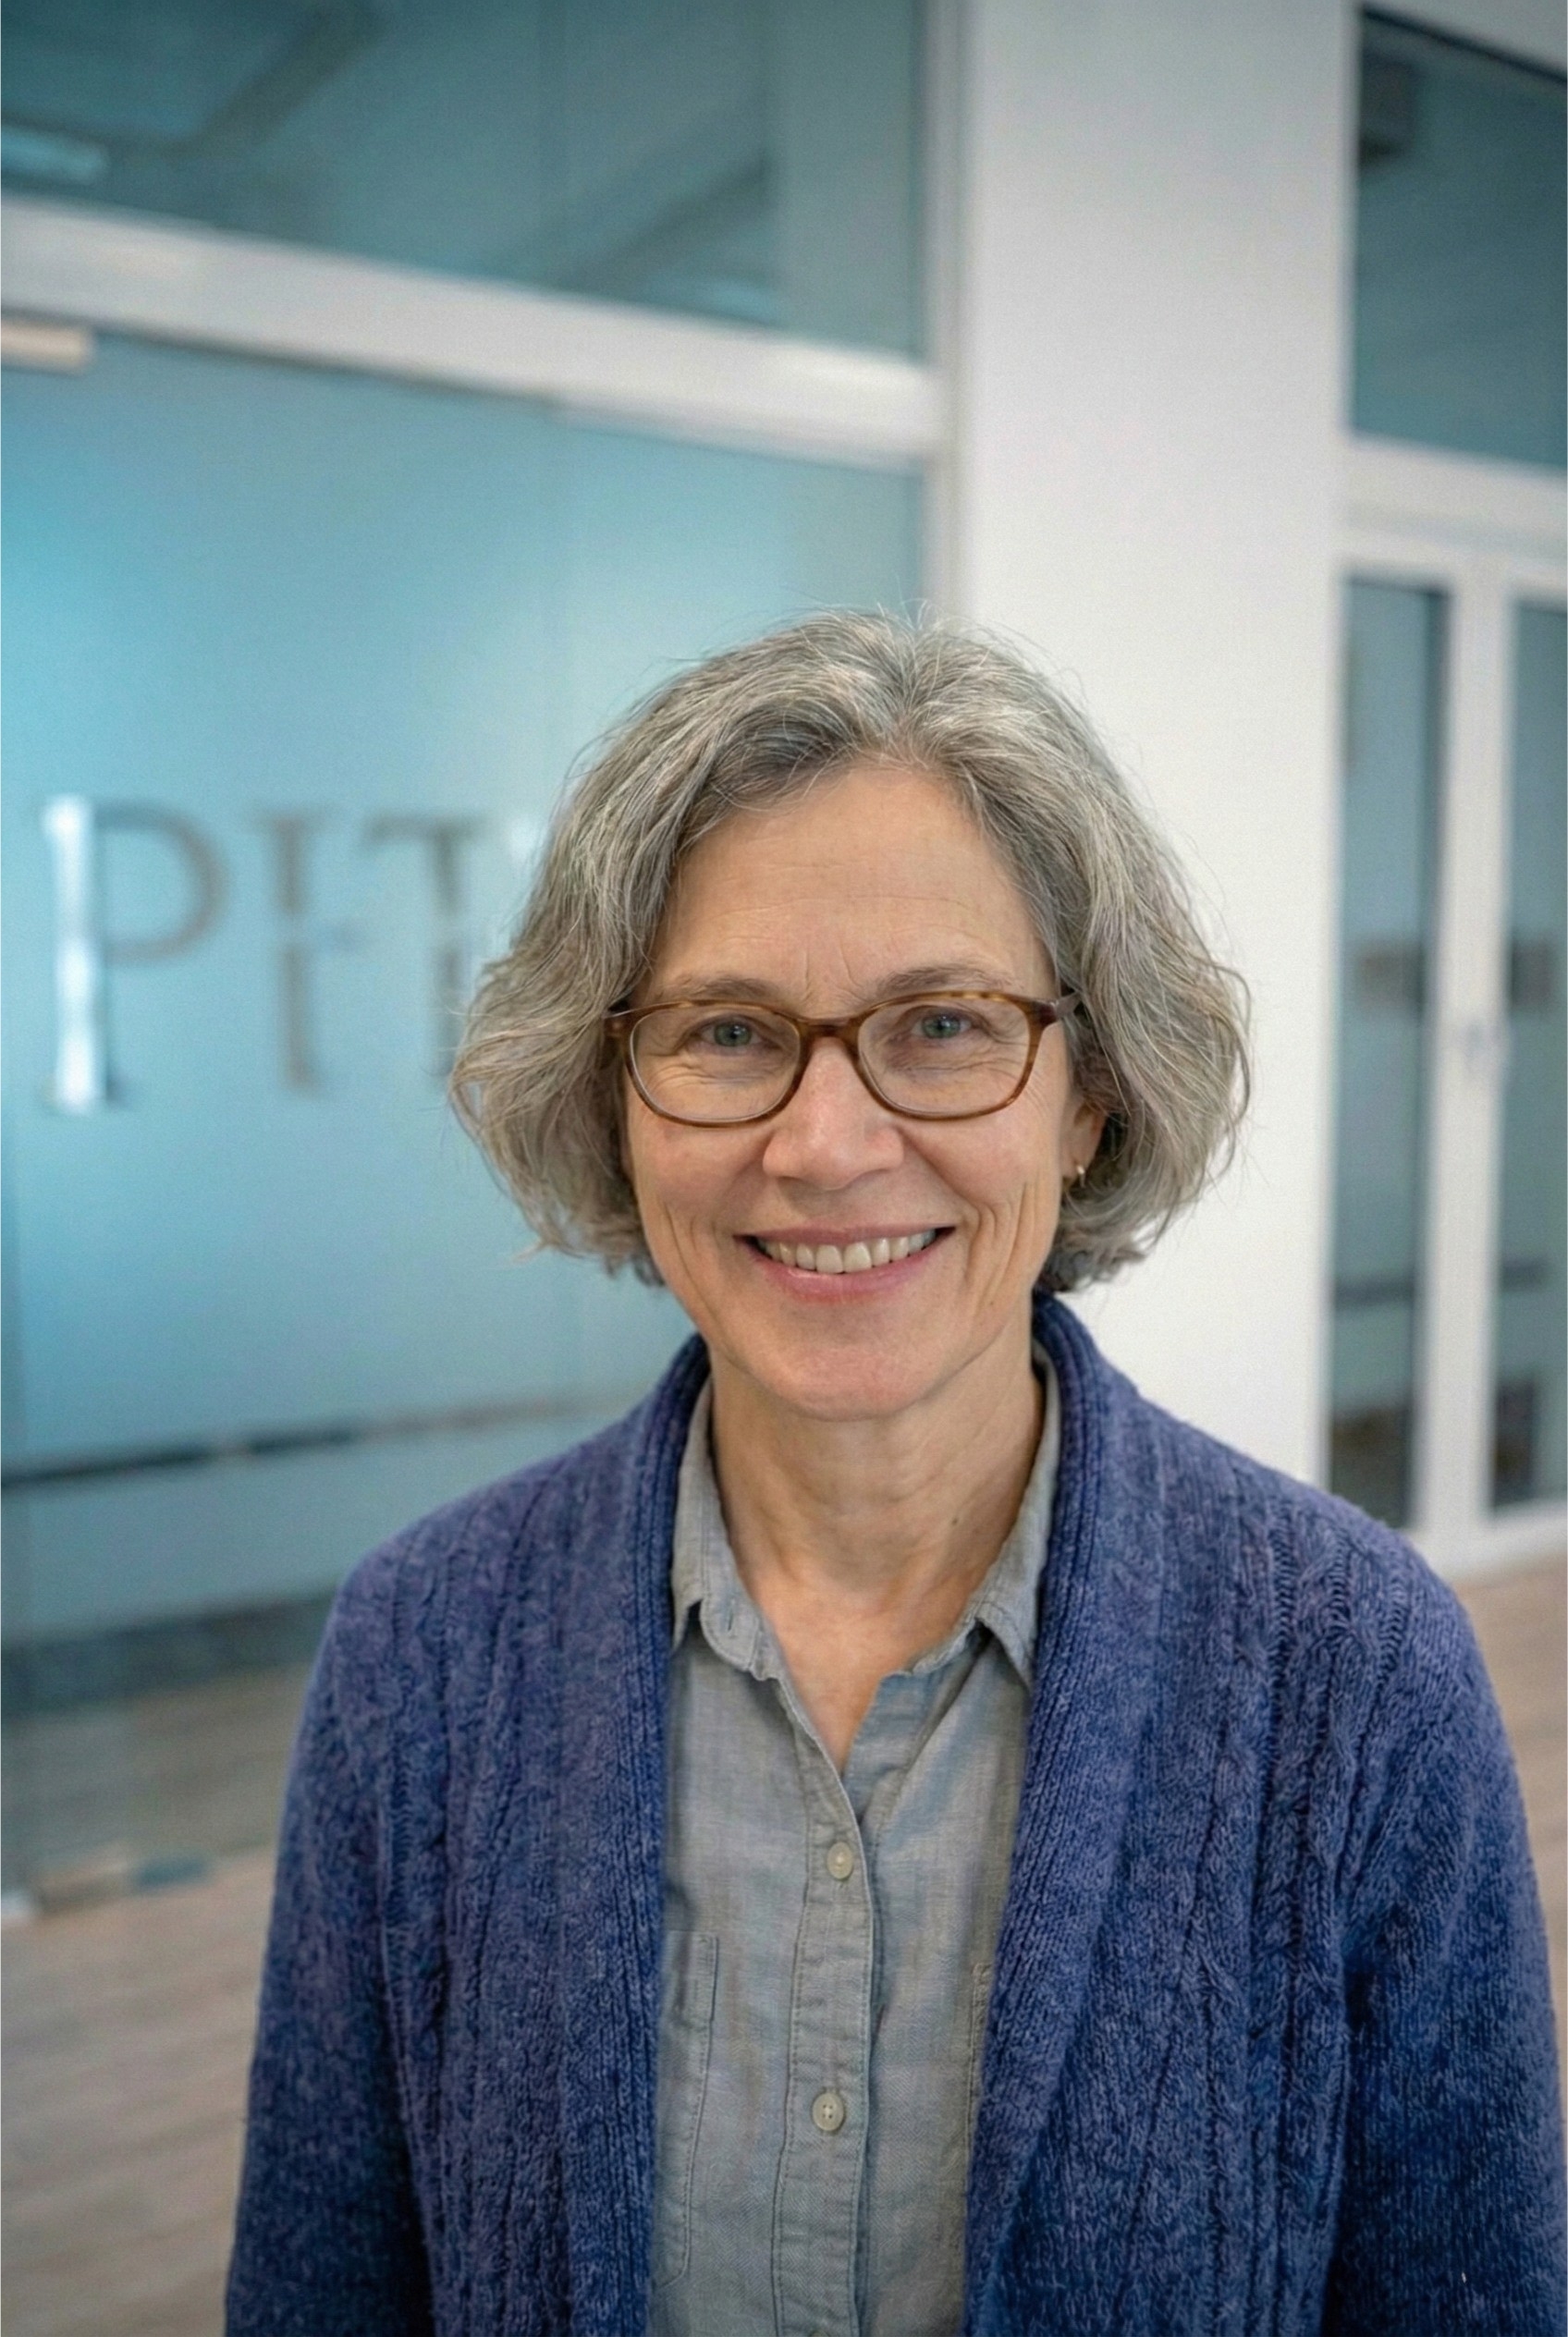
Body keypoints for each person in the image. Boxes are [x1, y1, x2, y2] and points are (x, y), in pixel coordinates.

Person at [227, 614, 1564, 2336]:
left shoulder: (1360, 1677)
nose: (829, 1142)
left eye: (940, 1023)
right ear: (612, 1097)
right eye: (725, 1032)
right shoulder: (421, 1656)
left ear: (1086, 1098)